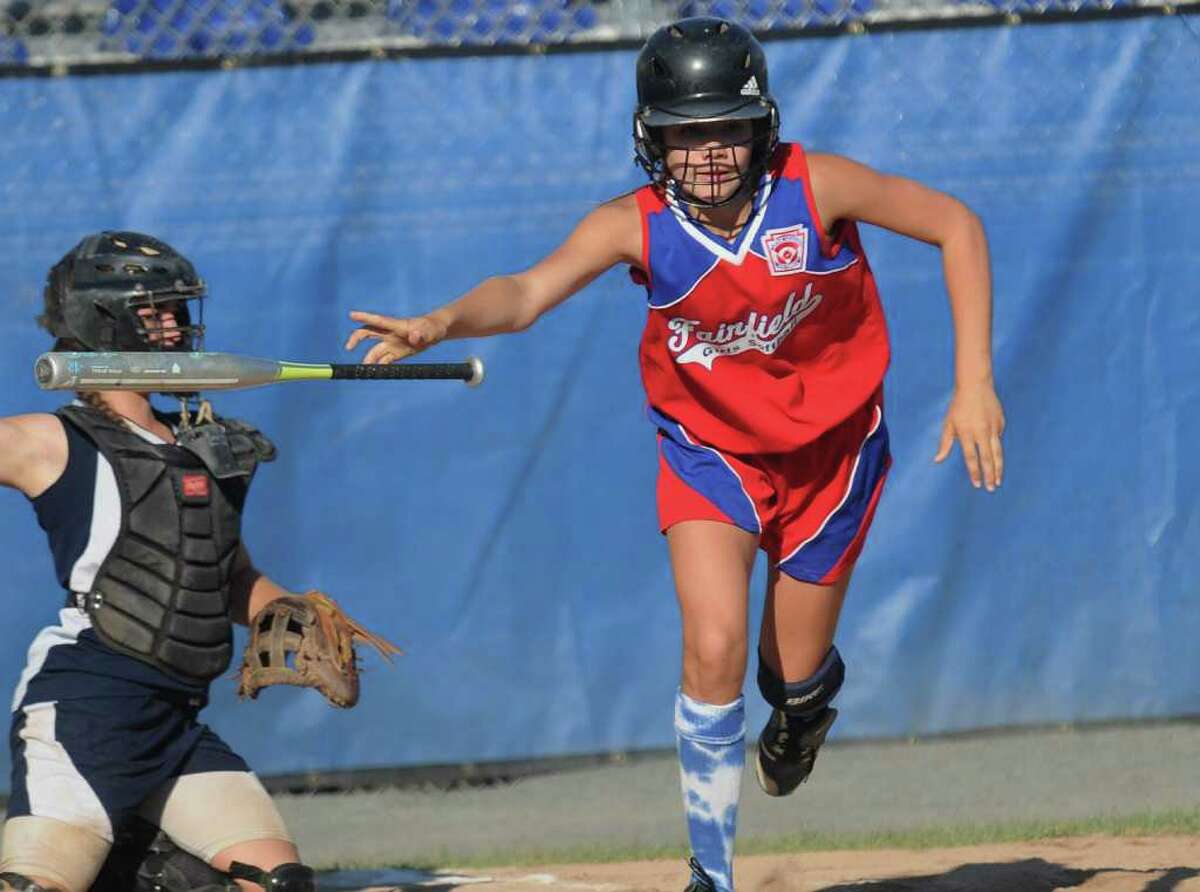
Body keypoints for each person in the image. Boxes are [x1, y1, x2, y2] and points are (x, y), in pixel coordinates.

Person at [345, 16, 1005, 892]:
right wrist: (441, 322)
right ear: (650, 138)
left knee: (793, 681)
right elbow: (526, 292)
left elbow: (955, 224)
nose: (708, 151)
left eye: (727, 127)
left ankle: (803, 712)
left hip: (833, 454)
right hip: (713, 453)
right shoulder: (637, 225)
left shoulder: (818, 186)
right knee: (714, 641)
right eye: (684, 133)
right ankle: (711, 872)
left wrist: (974, 382)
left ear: (762, 125)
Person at [0, 231, 323, 892]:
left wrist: (291, 613)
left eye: (179, 309)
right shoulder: (52, 440)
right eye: (157, 311)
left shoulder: (208, 447)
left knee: (279, 881)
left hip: (173, 722)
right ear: (103, 320)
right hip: (86, 710)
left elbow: (228, 577)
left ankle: (130, 856)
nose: (176, 325)